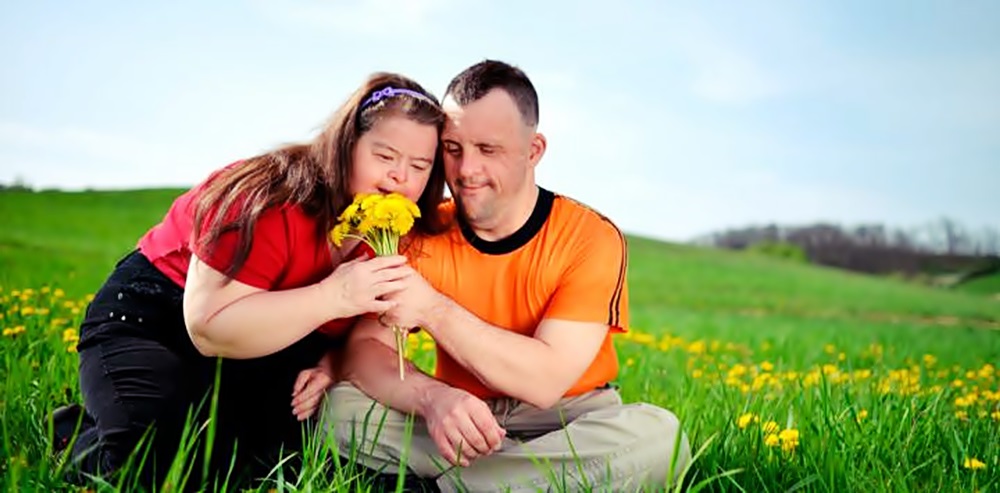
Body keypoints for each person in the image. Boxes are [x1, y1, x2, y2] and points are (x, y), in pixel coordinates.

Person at [51, 72, 449, 488]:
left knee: (270, 468)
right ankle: (77, 434)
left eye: (419, 166)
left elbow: (364, 337)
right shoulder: (267, 193)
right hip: (158, 318)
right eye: (384, 156)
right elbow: (208, 327)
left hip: (266, 346)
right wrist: (335, 296)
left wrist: (332, 364)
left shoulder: (398, 234)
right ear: (346, 145)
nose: (400, 176)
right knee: (156, 470)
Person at [322, 60, 692, 492]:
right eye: (453, 148)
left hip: (571, 420)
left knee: (660, 438)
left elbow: (546, 380)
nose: (465, 170)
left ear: (533, 151)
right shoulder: (419, 231)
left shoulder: (589, 236)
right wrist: (435, 398)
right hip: (460, 419)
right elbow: (367, 348)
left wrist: (432, 309)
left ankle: (440, 485)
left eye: (488, 150)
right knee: (339, 407)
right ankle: (512, 483)